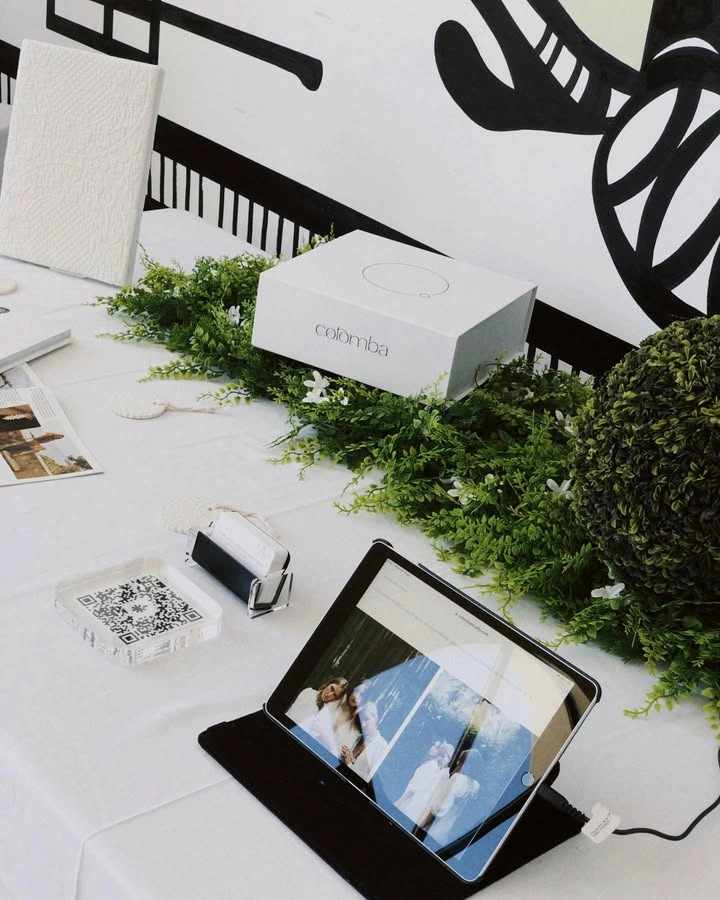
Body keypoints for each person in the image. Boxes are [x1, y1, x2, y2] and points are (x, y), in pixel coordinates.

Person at [416, 748, 482, 845]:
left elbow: (437, 809)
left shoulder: (457, 779)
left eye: (459, 759)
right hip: (446, 833)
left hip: (432, 830)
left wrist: (418, 827)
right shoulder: (475, 786)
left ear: (462, 762)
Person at [394, 739, 454, 823]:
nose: (439, 759)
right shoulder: (430, 768)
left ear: (449, 759)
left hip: (420, 813)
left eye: (443, 756)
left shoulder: (445, 775)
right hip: (411, 806)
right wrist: (400, 802)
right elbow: (413, 789)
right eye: (439, 755)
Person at [287, 676, 348, 756]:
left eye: (334, 695)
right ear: (328, 684)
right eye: (331, 688)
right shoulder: (309, 693)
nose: (329, 694)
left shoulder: (325, 713)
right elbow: (293, 717)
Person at [340, 700, 389, 781]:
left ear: (375, 718)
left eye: (367, 719)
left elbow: (370, 779)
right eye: (361, 720)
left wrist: (349, 763)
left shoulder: (381, 745)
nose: (363, 724)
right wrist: (345, 756)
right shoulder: (360, 738)